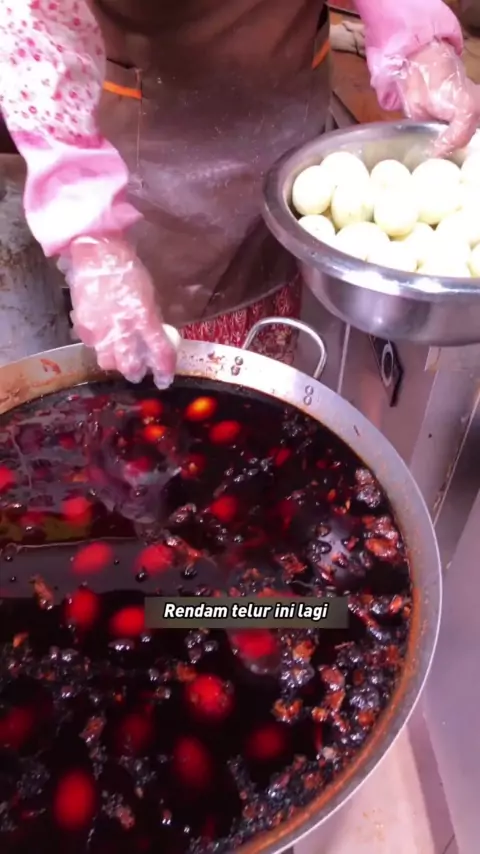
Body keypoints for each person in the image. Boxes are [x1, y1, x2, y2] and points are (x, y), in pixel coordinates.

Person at [0, 0, 478, 388]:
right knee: (168, 390)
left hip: (289, 103)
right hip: (155, 145)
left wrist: (415, 36)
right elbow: (32, 34)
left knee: (265, 372)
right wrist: (91, 236)